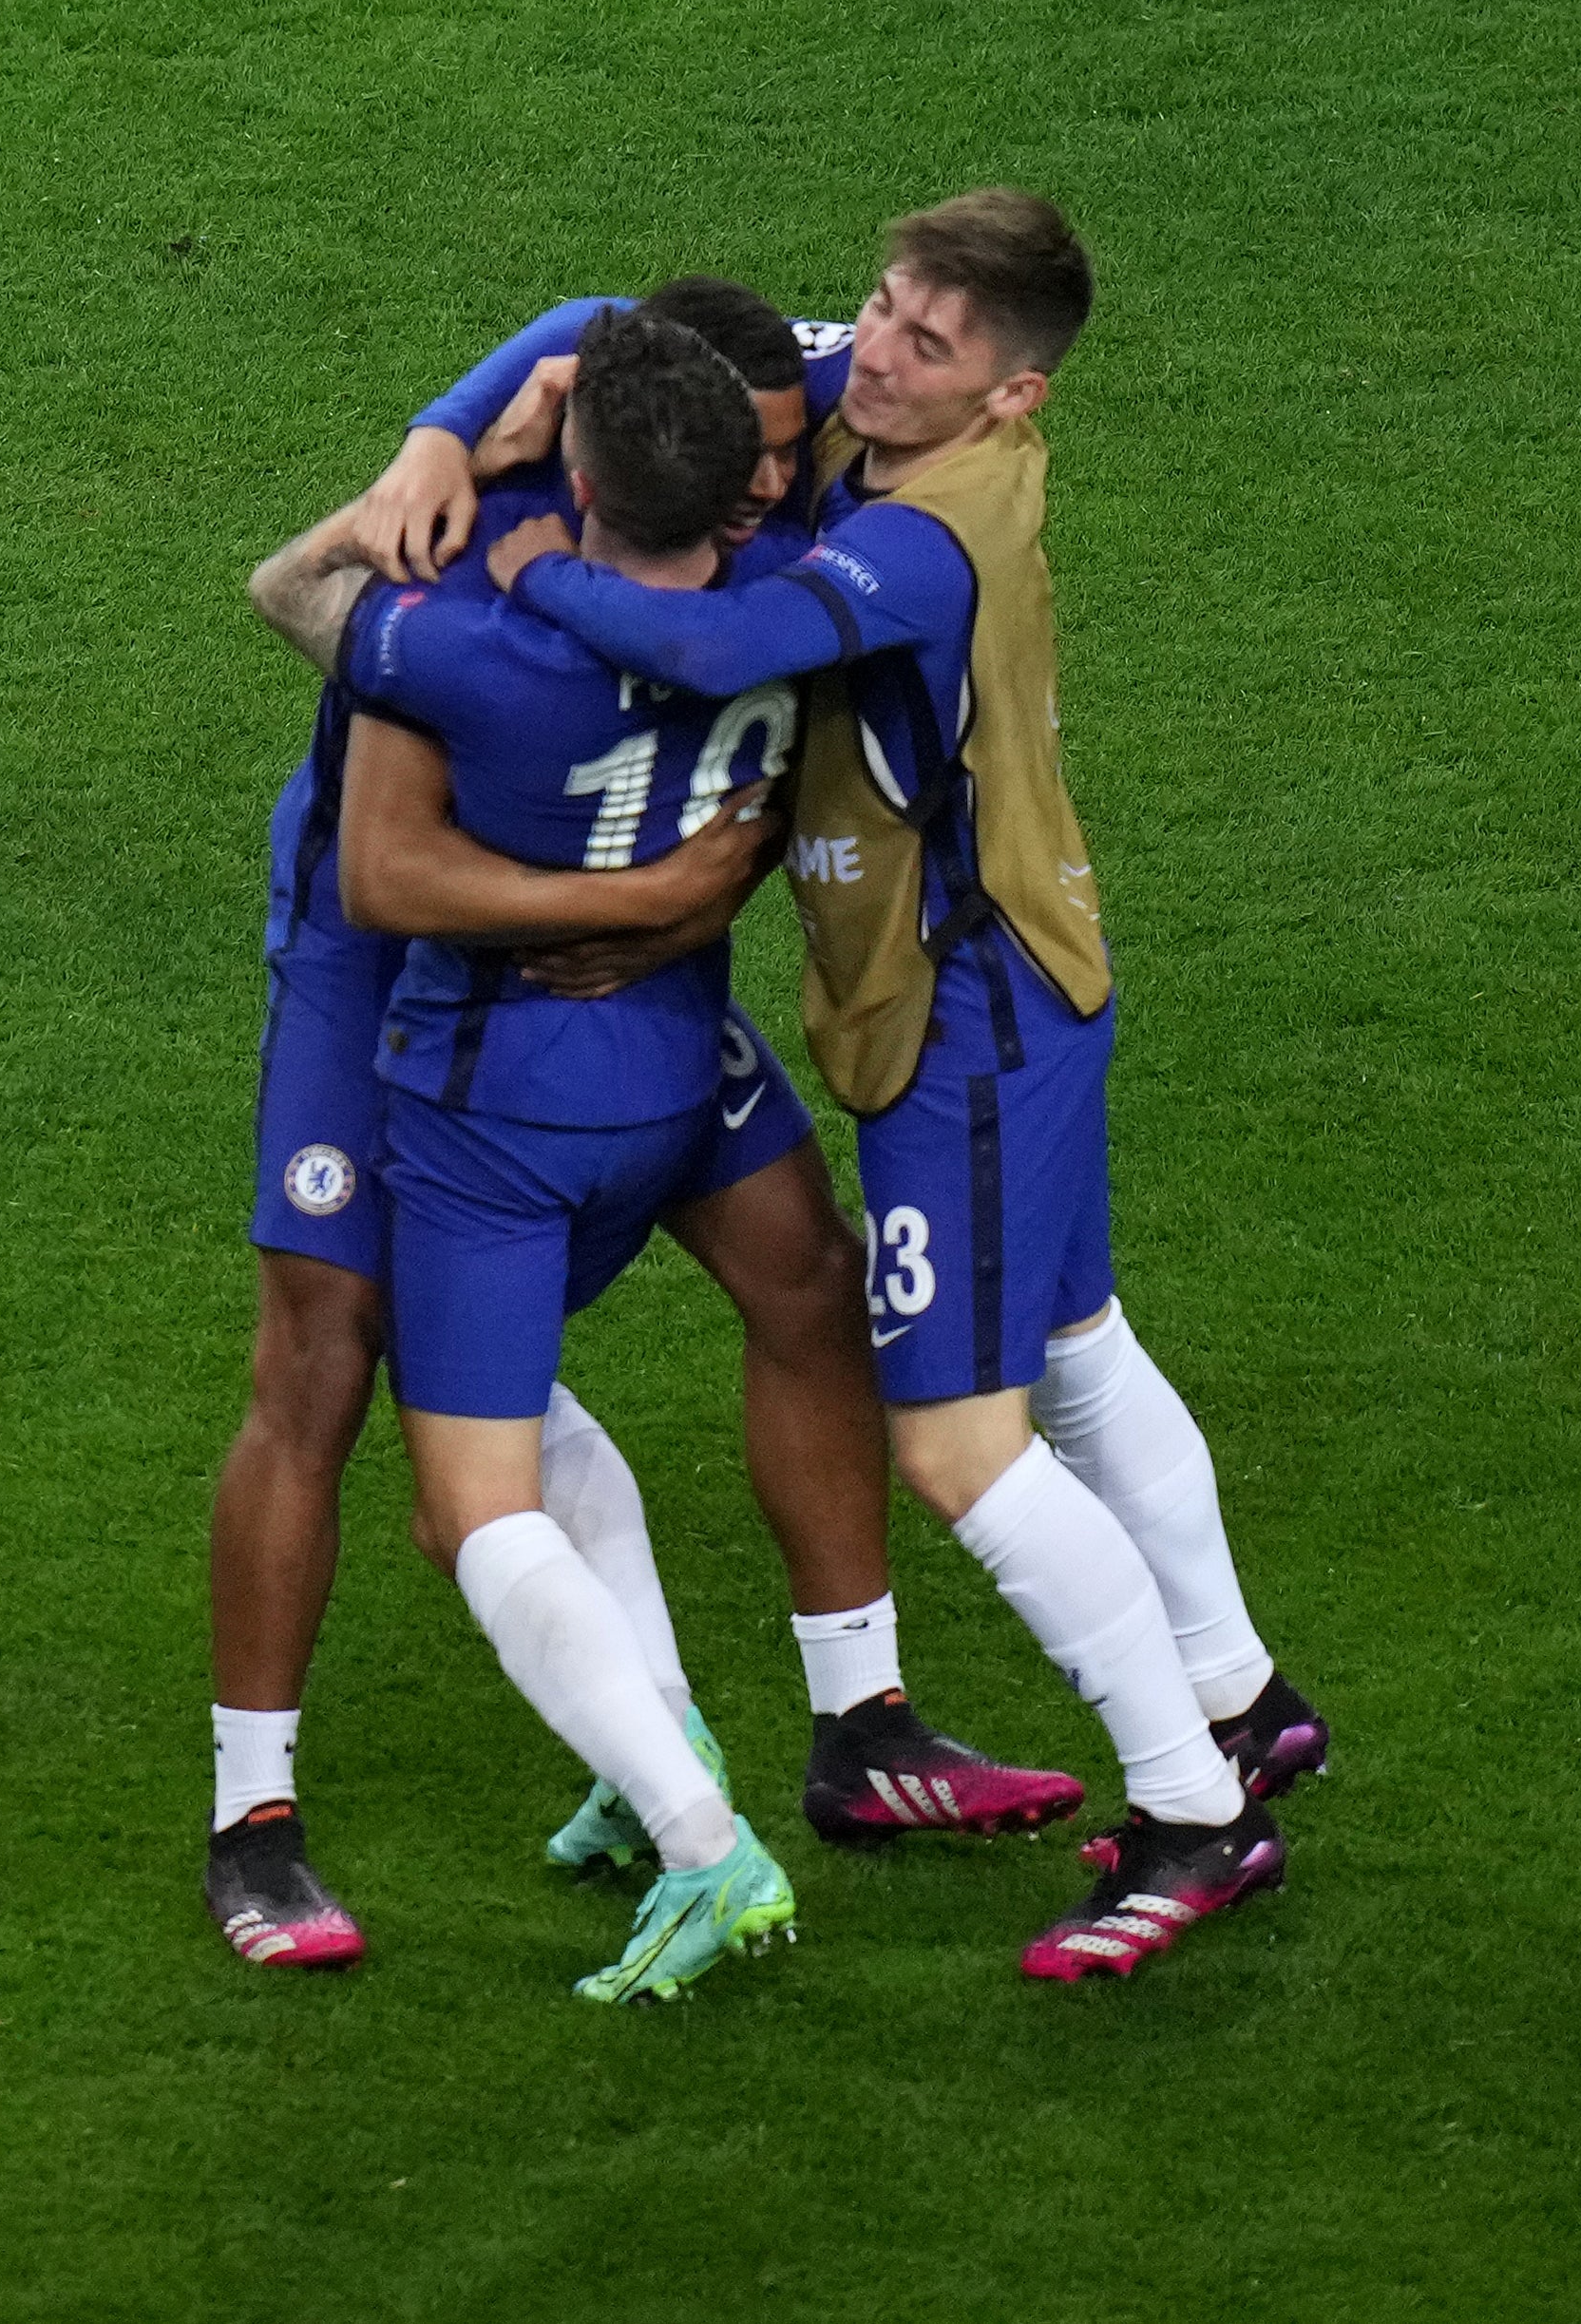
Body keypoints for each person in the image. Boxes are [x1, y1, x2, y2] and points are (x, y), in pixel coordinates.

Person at [482, 191, 1325, 1982]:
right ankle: (1244, 1702)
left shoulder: (936, 532)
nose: (870, 350)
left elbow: (710, 647)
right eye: (874, 305)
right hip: (1013, 974)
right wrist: (431, 433)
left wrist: (527, 565)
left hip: (970, 1022)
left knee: (956, 1441)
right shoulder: (865, 389)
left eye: (927, 344)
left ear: (1011, 398)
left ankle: (1193, 1815)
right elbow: (601, 312)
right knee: (1080, 1345)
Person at [200, 287, 1076, 1974]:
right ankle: (254, 1814)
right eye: (745, 456)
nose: (771, 483)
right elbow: (380, 820)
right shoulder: (462, 542)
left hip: (625, 984)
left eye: (778, 450)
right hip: (379, 980)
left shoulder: (751, 525)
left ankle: (858, 1723)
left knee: (804, 1276)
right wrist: (440, 432)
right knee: (322, 1354)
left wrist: (692, 900)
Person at [250, 308, 857, 2004]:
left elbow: (291, 599)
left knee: (472, 1501)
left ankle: (697, 1832)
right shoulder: (792, 601)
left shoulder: (462, 646)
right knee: (575, 1414)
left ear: (576, 460)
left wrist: (443, 449)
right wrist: (675, 902)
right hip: (671, 1065)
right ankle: (651, 1741)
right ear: (745, 480)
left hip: (484, 1105)